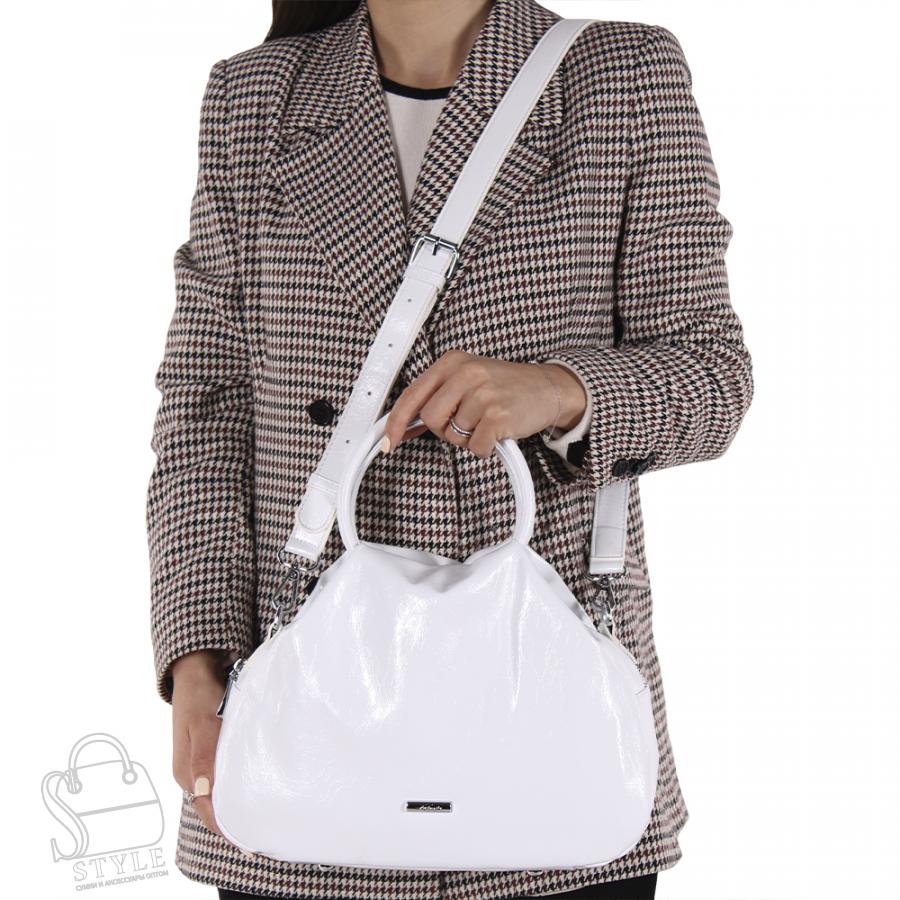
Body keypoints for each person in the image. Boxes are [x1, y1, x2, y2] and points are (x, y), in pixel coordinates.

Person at [145, 1, 754, 899]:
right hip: (308, 751)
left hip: (548, 744)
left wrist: (559, 389)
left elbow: (713, 376)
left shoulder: (620, 76)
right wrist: (196, 657)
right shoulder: (255, 97)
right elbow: (205, 407)